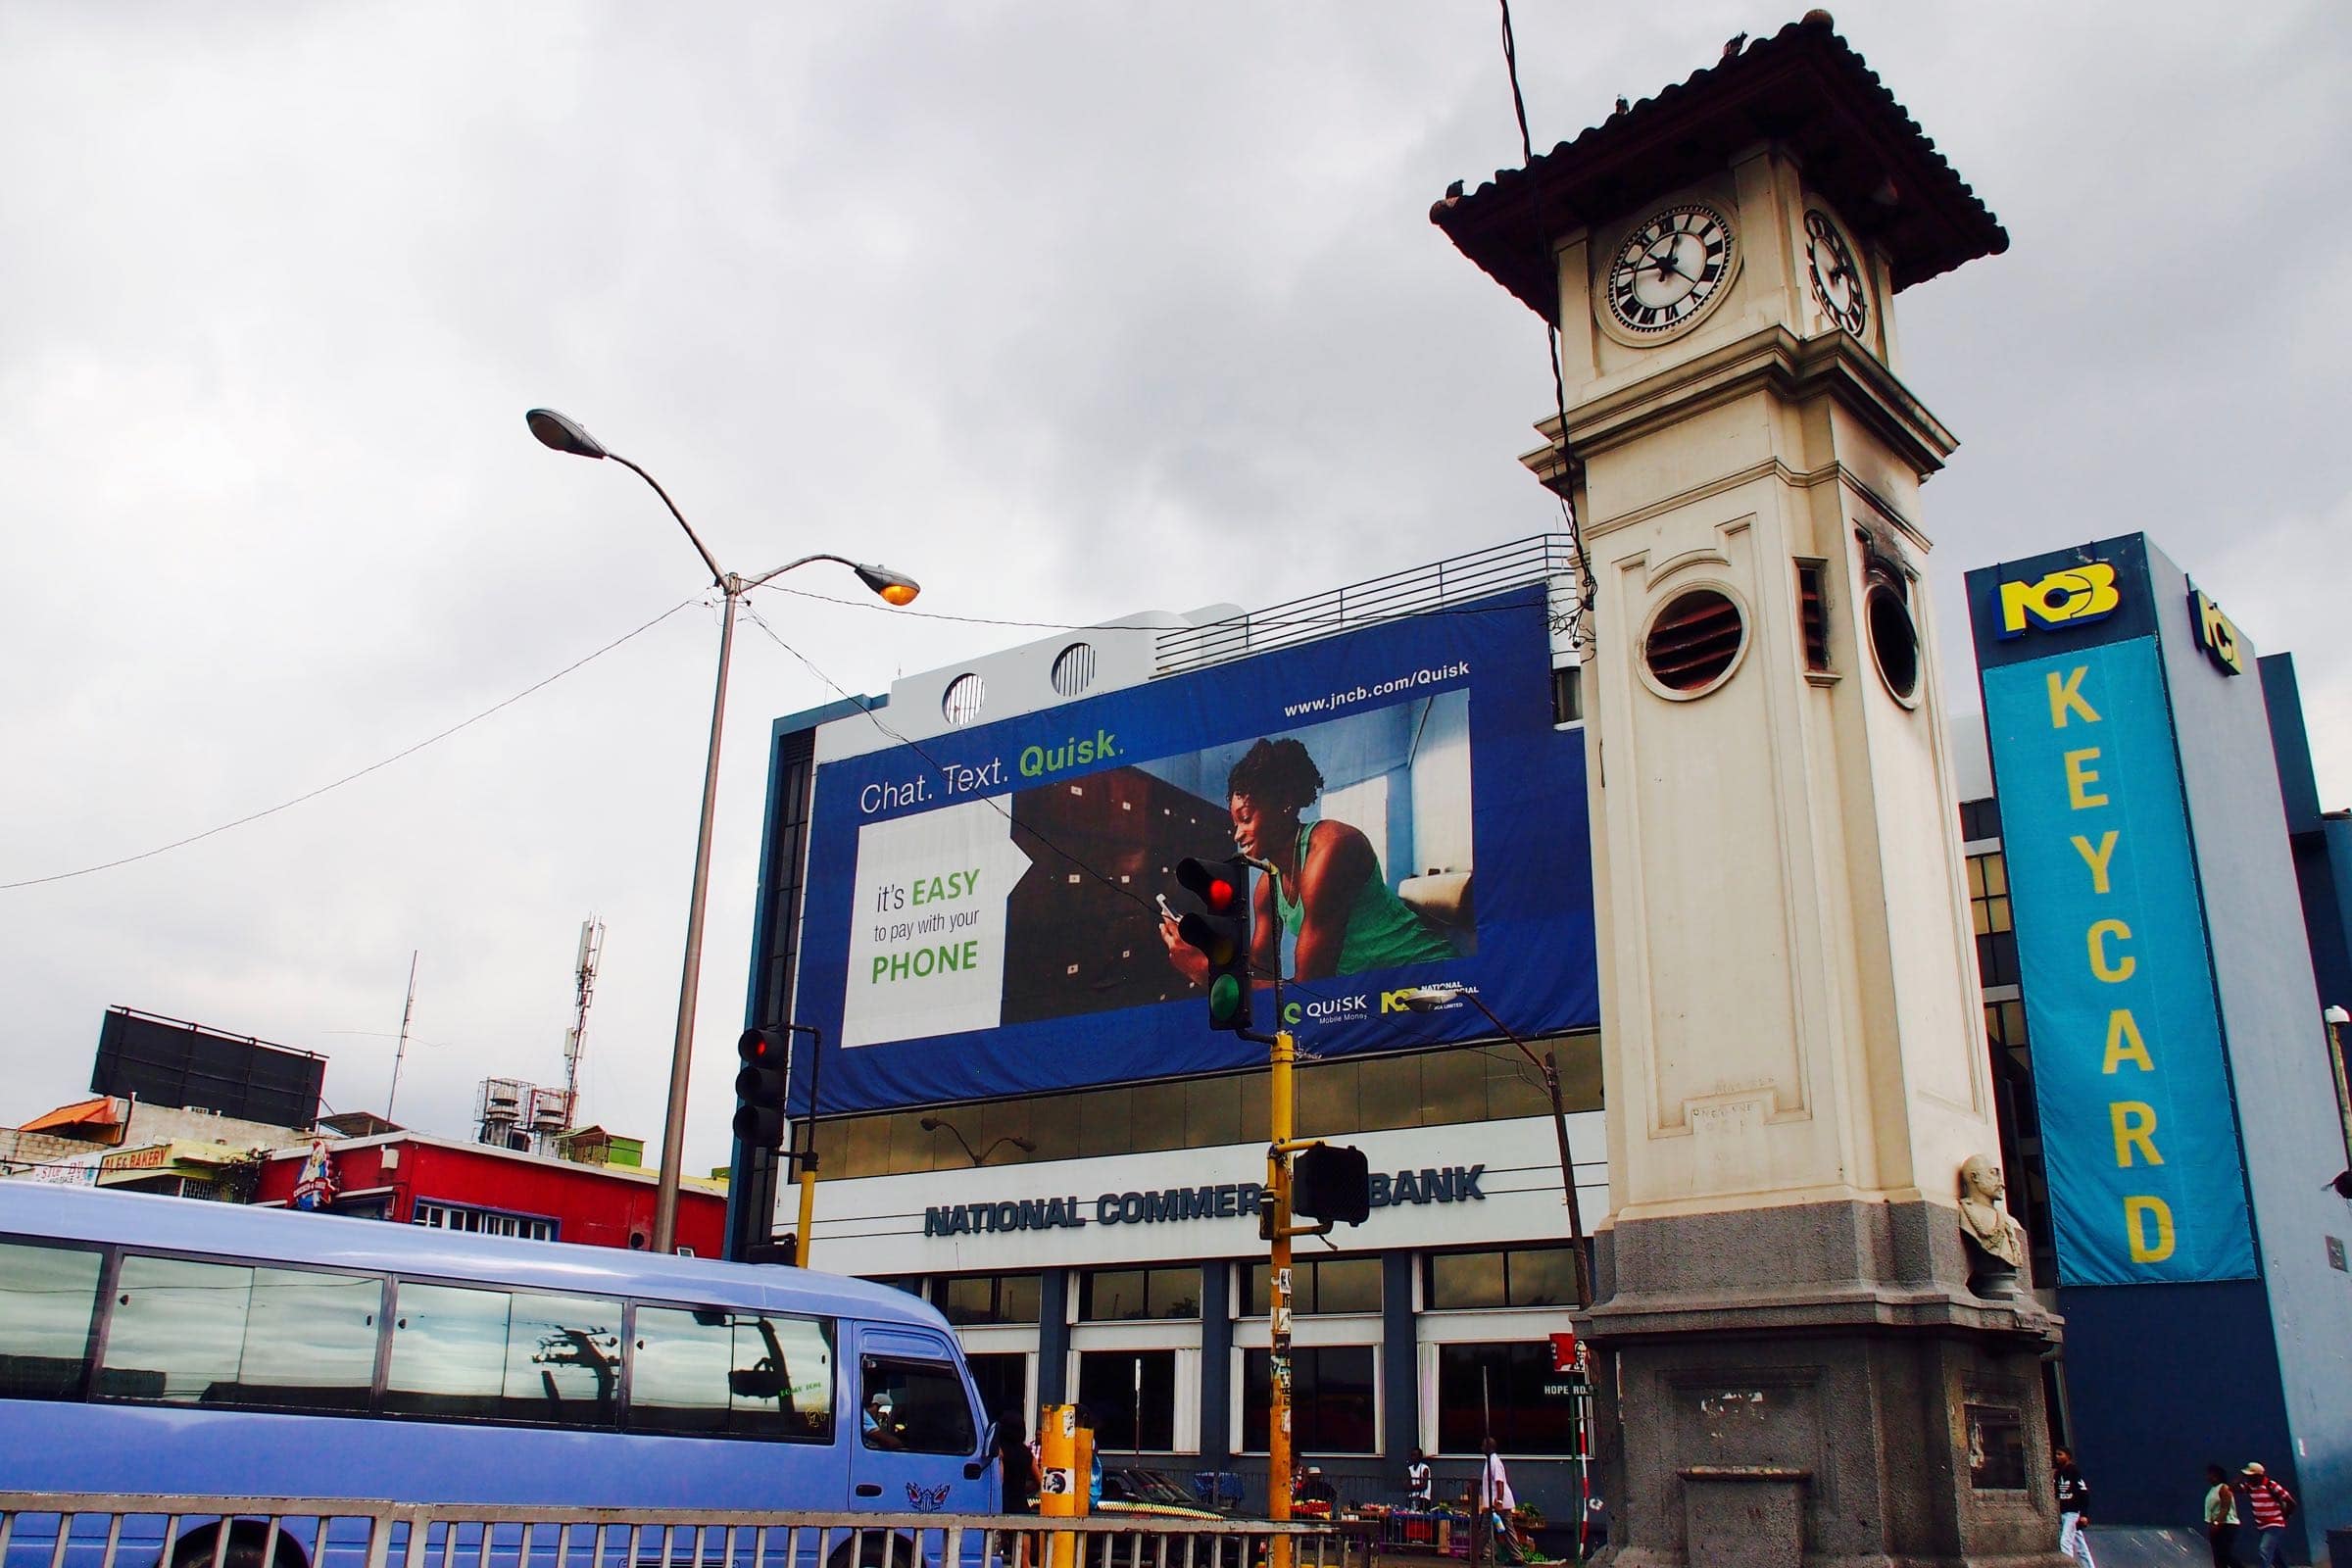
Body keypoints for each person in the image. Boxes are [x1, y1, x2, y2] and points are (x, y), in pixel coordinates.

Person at [1160, 737, 1457, 986]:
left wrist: (1206, 973)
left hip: (1429, 976)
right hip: (1371, 992)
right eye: (1234, 824)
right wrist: (1211, 952)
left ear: (1284, 805)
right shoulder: (1267, 886)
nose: (1238, 835)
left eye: (1246, 819)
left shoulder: (1331, 849)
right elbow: (1261, 971)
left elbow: (1311, 990)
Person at [2236, 1463, 2295, 1568]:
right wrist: (2240, 1477)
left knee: (2264, 1550)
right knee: (2275, 1554)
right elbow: (2234, 1489)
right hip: (2261, 1526)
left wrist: (2283, 1518)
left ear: (2258, 1476)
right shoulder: (2250, 1487)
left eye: (2250, 1476)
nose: (2248, 1478)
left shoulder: (2271, 1485)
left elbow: (2291, 1502)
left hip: (2274, 1525)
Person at [2053, 1447, 2094, 1568]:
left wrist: (2084, 1514)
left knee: (2065, 1541)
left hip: (2073, 1512)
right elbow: (2056, 1492)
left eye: (2060, 1454)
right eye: (2056, 1454)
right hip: (2064, 1512)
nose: (2057, 1456)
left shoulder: (2073, 1471)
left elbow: (2084, 1493)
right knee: (2080, 1545)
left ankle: (2067, 1566)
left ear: (2068, 1456)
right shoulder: (2058, 1472)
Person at [1479, 1439, 1517, 1565]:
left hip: (1499, 1504)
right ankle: (1475, 1552)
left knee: (1504, 1529)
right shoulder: (1489, 1461)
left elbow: (1499, 1482)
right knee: (1486, 1528)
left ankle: (1516, 1556)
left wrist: (1499, 1501)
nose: (1481, 1447)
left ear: (1489, 1447)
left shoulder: (1494, 1462)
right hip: (1493, 1504)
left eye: (1483, 1445)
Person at [2205, 1463, 2242, 1568]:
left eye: (2210, 1475)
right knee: (2218, 1556)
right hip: (2217, 1525)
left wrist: (2217, 1523)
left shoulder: (2224, 1488)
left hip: (2226, 1525)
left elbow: (2225, 1507)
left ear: (2216, 1476)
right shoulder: (2213, 1489)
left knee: (2224, 1554)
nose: (2208, 1477)